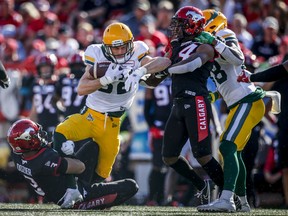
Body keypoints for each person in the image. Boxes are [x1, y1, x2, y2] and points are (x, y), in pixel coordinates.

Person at [125, 6, 225, 205]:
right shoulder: (175, 44)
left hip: (197, 101)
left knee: (203, 154)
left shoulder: (205, 44)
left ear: (192, 25)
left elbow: (192, 64)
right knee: (169, 156)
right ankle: (201, 186)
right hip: (178, 103)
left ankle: (230, 193)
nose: (175, 28)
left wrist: (168, 68)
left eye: (179, 24)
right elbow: (154, 80)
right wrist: (135, 76)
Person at [53, 22, 171, 184]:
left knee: (103, 172)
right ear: (106, 47)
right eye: (116, 48)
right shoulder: (96, 54)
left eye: (124, 46)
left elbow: (165, 62)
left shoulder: (137, 52)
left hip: (113, 123)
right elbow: (81, 89)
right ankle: (58, 182)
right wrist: (105, 79)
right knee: (60, 132)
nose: (121, 51)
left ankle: (86, 193)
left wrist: (140, 72)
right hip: (91, 115)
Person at [194, 9, 267, 212]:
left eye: (201, 26)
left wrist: (215, 41)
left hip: (248, 100)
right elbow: (227, 79)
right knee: (233, 151)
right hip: (240, 101)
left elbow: (238, 59)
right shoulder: (211, 42)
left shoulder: (224, 35)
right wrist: (214, 96)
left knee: (227, 147)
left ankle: (227, 199)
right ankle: (242, 202)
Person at [7, 119, 139, 209]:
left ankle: (92, 187)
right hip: (70, 196)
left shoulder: (18, 153)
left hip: (56, 185)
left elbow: (42, 154)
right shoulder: (45, 161)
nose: (40, 136)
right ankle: (84, 202)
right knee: (131, 186)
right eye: (36, 135)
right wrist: (67, 153)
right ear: (29, 141)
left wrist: (55, 147)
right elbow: (79, 168)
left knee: (92, 147)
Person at [238, 58, 288, 209]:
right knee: (286, 168)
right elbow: (276, 75)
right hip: (285, 125)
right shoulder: (282, 75)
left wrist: (251, 76)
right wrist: (252, 77)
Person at [144, 76, 172, 206]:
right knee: (167, 164)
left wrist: (152, 126)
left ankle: (154, 197)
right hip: (173, 125)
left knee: (158, 165)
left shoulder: (154, 82)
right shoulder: (178, 79)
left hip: (159, 125)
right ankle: (159, 197)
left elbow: (146, 108)